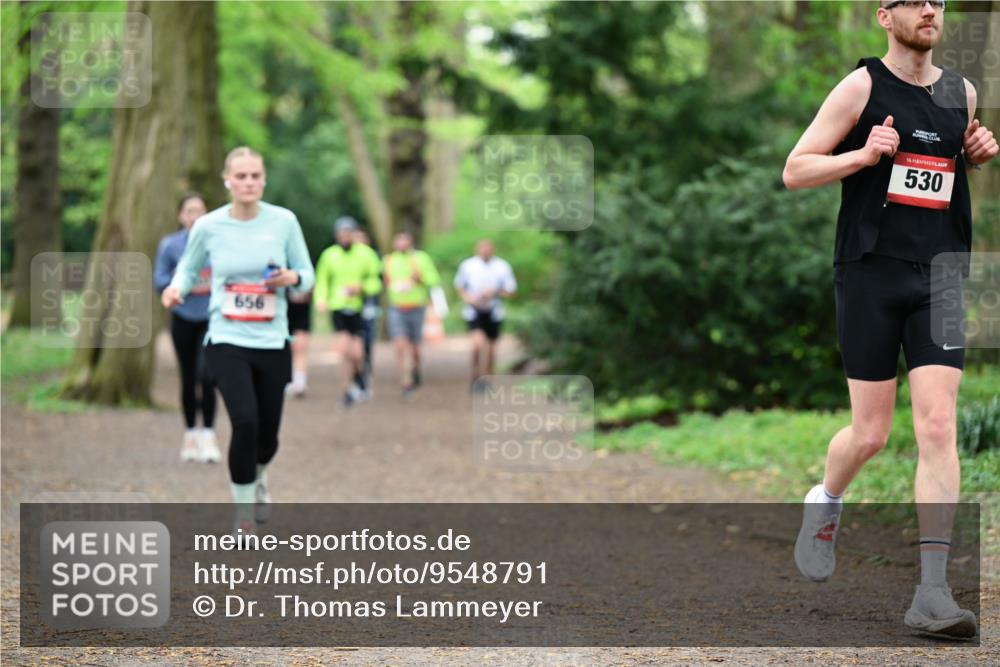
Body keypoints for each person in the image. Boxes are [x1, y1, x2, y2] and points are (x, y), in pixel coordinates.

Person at [782, 0, 997, 638]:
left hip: (943, 274)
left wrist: (977, 152)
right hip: (871, 272)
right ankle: (825, 500)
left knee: (937, 424)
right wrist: (861, 156)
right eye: (915, 0)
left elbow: (947, 168)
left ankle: (932, 593)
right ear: (885, 15)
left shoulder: (963, 90)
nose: (931, 9)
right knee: (870, 435)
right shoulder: (862, 85)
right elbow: (795, 170)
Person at [161, 147, 315, 536]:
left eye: (255, 176)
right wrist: (175, 290)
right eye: (241, 176)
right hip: (226, 337)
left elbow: (307, 273)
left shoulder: (284, 222)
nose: (248, 183)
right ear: (227, 180)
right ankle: (244, 518)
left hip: (273, 339)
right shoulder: (209, 226)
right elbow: (188, 268)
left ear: (263, 180)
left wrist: (291, 280)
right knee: (244, 423)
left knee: (268, 437)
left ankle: (258, 475)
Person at [154, 193, 221, 463]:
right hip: (182, 317)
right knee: (188, 376)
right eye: (190, 211)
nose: (195, 216)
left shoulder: (217, 243)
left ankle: (209, 436)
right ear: (181, 215)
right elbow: (159, 280)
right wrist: (181, 283)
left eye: (200, 210)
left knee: (208, 376)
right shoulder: (170, 246)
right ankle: (190, 434)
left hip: (211, 318)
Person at [314, 217, 382, 408]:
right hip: (338, 306)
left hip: (360, 308)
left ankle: (361, 379)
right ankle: (347, 389)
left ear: (353, 234)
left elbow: (376, 281)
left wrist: (361, 287)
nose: (344, 237)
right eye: (341, 234)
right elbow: (322, 280)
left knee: (358, 353)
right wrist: (321, 300)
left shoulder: (366, 254)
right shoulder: (330, 255)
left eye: (347, 234)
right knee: (344, 349)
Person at [383, 232, 442, 395]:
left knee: (415, 347)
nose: (401, 243)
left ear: (410, 242)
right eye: (398, 240)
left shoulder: (421, 258)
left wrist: (420, 278)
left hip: (416, 306)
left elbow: (434, 280)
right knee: (400, 343)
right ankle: (405, 379)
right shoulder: (389, 260)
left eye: (404, 240)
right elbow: (383, 282)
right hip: (397, 307)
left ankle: (416, 369)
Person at [454, 239, 517, 391]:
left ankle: (488, 378)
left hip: (494, 311)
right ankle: (475, 376)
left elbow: (511, 291)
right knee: (477, 345)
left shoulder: (502, 266)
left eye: (488, 248)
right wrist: (468, 298)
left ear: (493, 250)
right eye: (482, 248)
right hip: (474, 311)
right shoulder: (468, 266)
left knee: (491, 349)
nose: (485, 251)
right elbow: (459, 286)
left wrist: (494, 293)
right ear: (476, 249)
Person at [354, 228, 382, 393]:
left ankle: (364, 376)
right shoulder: (342, 257)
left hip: (368, 308)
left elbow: (375, 283)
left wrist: (362, 287)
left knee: (366, 344)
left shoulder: (372, 258)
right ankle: (356, 378)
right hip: (348, 309)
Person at [285, 287, 312, 398]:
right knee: (286, 347)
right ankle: (292, 381)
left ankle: (299, 382)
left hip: (301, 312)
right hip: (282, 313)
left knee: (299, 347)